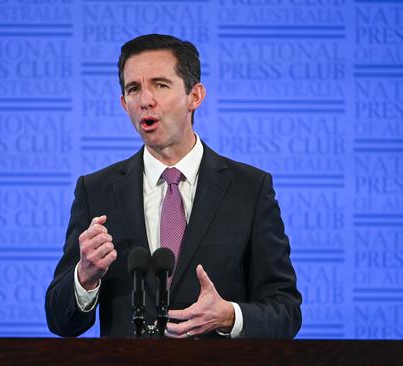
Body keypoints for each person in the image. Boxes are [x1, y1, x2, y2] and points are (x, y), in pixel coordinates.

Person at [45, 34, 302, 338]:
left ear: (195, 96)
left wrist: (229, 316)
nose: (145, 100)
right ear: (123, 103)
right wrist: (85, 278)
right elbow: (60, 321)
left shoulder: (250, 188)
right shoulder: (96, 190)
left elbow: (286, 311)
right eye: (133, 89)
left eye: (160, 85)